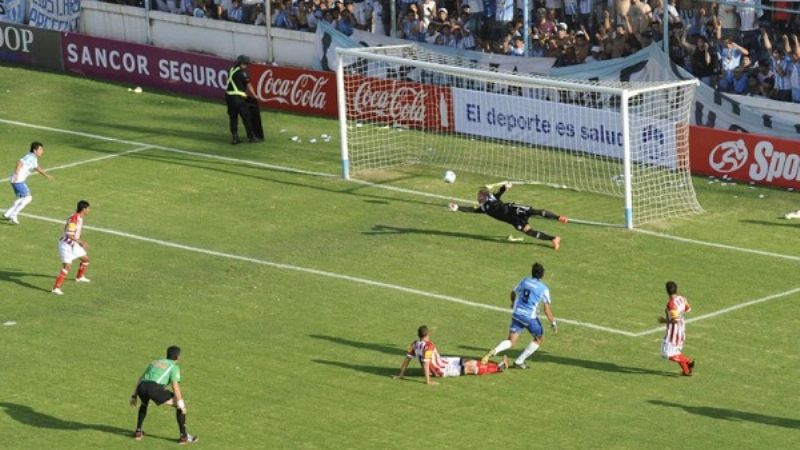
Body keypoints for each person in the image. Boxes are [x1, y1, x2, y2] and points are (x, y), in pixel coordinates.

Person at [481, 262, 557, 369]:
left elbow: (513, 292)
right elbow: (546, 309)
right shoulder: (544, 288)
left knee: (511, 341)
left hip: (517, 314)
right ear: (542, 275)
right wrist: (553, 323)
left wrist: (513, 302)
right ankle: (519, 361)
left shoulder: (525, 281)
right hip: (529, 318)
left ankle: (495, 350)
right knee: (539, 338)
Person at [448, 182, 568, 250]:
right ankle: (553, 239)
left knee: (535, 212)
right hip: (513, 220)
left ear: (486, 196)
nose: (479, 198)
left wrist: (505, 187)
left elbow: (499, 193)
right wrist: (458, 208)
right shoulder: (484, 208)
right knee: (529, 231)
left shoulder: (492, 198)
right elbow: (471, 210)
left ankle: (558, 217)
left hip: (514, 209)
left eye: (481, 196)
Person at [393, 325, 508, 385]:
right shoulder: (428, 346)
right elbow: (426, 364)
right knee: (471, 368)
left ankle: (498, 365)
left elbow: (407, 359)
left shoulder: (413, 344)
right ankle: (499, 368)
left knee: (469, 361)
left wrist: (401, 375)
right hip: (442, 369)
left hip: (444, 361)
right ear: (428, 334)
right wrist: (428, 381)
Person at [130, 346, 198, 444]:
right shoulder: (174, 367)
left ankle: (138, 432)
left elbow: (141, 378)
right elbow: (175, 386)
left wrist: (134, 396)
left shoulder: (155, 362)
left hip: (142, 387)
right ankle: (184, 437)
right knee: (179, 407)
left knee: (144, 404)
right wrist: (181, 403)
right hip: (153, 389)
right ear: (178, 357)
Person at [3, 141, 53, 225]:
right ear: (35, 150)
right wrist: (17, 173)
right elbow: (19, 162)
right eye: (40, 149)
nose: (42, 151)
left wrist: (46, 175)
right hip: (18, 180)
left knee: (21, 198)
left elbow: (36, 167)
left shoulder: (33, 158)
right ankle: (13, 215)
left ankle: (7, 214)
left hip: (18, 180)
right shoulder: (30, 157)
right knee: (28, 198)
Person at [51, 200, 92, 296]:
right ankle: (55, 288)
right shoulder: (74, 219)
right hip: (66, 245)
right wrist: (82, 242)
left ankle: (79, 277)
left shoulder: (79, 218)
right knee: (67, 267)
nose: (89, 210)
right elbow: (69, 235)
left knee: (85, 259)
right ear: (84, 209)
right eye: (88, 208)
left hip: (73, 243)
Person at [659, 281, 695, 376]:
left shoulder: (671, 304)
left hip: (673, 334)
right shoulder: (682, 298)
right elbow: (688, 309)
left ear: (666, 291)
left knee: (666, 353)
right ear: (677, 289)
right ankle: (687, 371)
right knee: (676, 351)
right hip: (682, 330)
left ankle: (688, 361)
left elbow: (675, 320)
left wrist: (664, 321)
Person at [224, 54, 260, 144]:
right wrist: (255, 95)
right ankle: (251, 137)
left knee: (233, 118)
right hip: (239, 98)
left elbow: (227, 80)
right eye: (246, 64)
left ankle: (235, 138)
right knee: (246, 117)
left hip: (229, 97)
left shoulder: (230, 70)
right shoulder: (243, 73)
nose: (246, 66)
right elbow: (248, 85)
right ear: (242, 63)